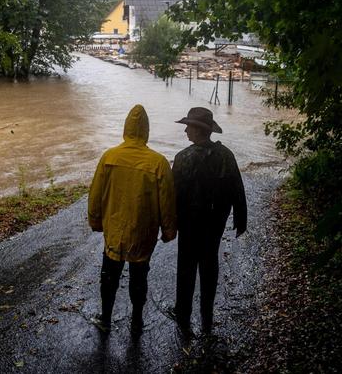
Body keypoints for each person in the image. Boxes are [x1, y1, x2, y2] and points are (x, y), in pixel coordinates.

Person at [88, 104, 177, 334]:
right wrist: (169, 231)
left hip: (115, 231)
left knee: (109, 275)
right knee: (139, 277)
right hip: (143, 233)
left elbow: (95, 194)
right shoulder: (159, 163)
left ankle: (105, 318)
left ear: (125, 128)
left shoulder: (109, 156)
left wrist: (96, 221)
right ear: (146, 130)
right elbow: (167, 202)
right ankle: (136, 322)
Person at [171, 107, 247, 333]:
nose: (185, 130)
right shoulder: (226, 155)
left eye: (188, 126)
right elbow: (238, 189)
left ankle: (183, 315)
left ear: (197, 130)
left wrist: (168, 223)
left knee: (186, 267)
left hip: (188, 225)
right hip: (214, 224)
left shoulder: (183, 158)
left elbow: (173, 196)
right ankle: (207, 313)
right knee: (209, 264)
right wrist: (241, 218)